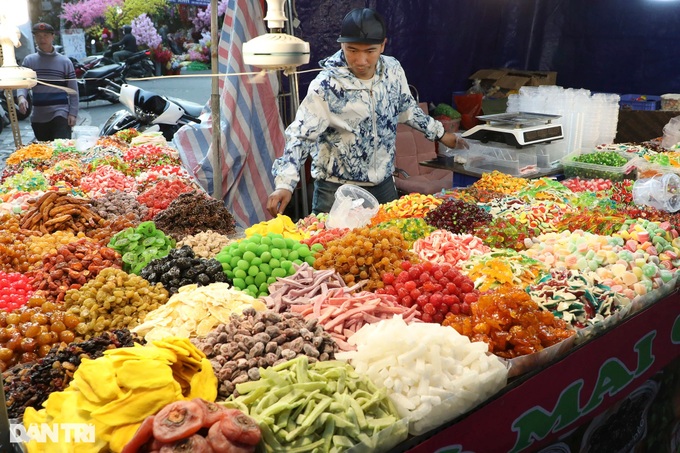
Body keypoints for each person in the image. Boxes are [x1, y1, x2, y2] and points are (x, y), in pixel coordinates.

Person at [267, 8, 466, 217]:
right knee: (334, 248)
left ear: (382, 45)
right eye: (352, 50)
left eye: (370, 51)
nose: (361, 60)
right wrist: (285, 184)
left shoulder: (393, 70)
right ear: (341, 44)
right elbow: (300, 135)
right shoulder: (325, 85)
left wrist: (441, 134)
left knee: (389, 246)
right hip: (337, 191)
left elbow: (407, 109)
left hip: (384, 186)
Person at [17, 23, 78, 141]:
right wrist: (21, 97)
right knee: (44, 152)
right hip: (39, 115)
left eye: (45, 35)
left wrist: (73, 113)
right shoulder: (29, 61)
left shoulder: (65, 62)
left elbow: (73, 91)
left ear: (52, 37)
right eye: (38, 36)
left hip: (61, 112)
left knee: (61, 151)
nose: (42, 39)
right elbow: (23, 82)